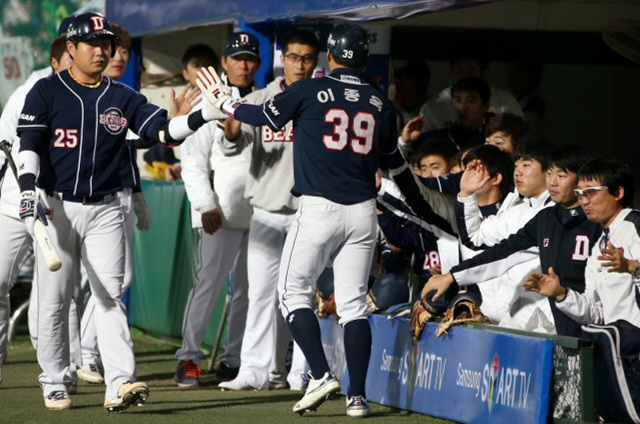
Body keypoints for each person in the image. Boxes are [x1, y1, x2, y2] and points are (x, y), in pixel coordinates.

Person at [16, 13, 222, 411]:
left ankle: (120, 383)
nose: (101, 49)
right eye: (92, 43)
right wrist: (28, 189)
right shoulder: (45, 91)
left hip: (108, 207)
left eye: (105, 42)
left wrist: (204, 116)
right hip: (58, 205)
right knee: (56, 299)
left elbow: (163, 131)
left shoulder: (122, 95)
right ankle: (55, 380)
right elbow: (29, 146)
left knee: (110, 297)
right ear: (70, 48)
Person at [198, 23, 398, 417]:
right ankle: (357, 397)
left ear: (330, 56)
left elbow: (259, 116)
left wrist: (225, 102)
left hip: (319, 208)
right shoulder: (380, 102)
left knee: (291, 294)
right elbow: (392, 163)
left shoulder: (308, 89)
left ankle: (320, 374)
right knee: (354, 306)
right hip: (362, 213)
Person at [215, 29, 320, 393]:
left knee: (300, 294)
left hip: (308, 213)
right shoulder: (260, 99)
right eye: (294, 57)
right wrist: (230, 135)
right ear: (283, 60)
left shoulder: (323, 100)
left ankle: (302, 373)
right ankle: (257, 371)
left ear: (316, 61)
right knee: (260, 294)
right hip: (266, 211)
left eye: (307, 58)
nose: (300, 64)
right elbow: (234, 146)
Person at [424, 146, 602, 336]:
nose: (553, 182)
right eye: (550, 173)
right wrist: (453, 275)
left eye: (561, 175)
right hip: (554, 320)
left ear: (581, 181)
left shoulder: (601, 221)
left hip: (598, 325)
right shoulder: (545, 218)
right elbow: (503, 251)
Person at [523, 158, 639, 422]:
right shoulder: (599, 244)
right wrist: (561, 294)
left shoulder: (636, 228)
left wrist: (633, 267)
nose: (583, 200)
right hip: (620, 357)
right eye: (579, 194)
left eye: (591, 193)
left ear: (618, 193)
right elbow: (596, 314)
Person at [174, 33, 261, 387]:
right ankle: (189, 358)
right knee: (207, 285)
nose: (244, 64)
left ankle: (234, 359)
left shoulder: (267, 98)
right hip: (220, 212)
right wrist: (206, 203)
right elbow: (192, 159)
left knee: (249, 290)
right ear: (223, 62)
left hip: (263, 211)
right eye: (237, 58)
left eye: (250, 58)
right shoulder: (210, 99)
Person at [76, 22, 153, 386]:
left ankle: (90, 357)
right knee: (76, 287)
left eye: (121, 50)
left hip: (115, 196)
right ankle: (77, 359)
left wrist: (136, 194)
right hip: (76, 201)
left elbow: (128, 146)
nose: (117, 55)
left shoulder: (121, 94)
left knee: (114, 283)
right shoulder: (71, 91)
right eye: (112, 49)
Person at [0, 35, 73, 387]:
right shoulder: (31, 91)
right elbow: (5, 149)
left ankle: (62, 371)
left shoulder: (88, 96)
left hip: (58, 207)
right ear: (57, 62)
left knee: (59, 294)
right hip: (16, 205)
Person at [420, 52, 523, 132]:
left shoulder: (505, 101)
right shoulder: (433, 106)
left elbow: (521, 135)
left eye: (471, 71)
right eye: (459, 71)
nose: (465, 76)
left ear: (483, 73)